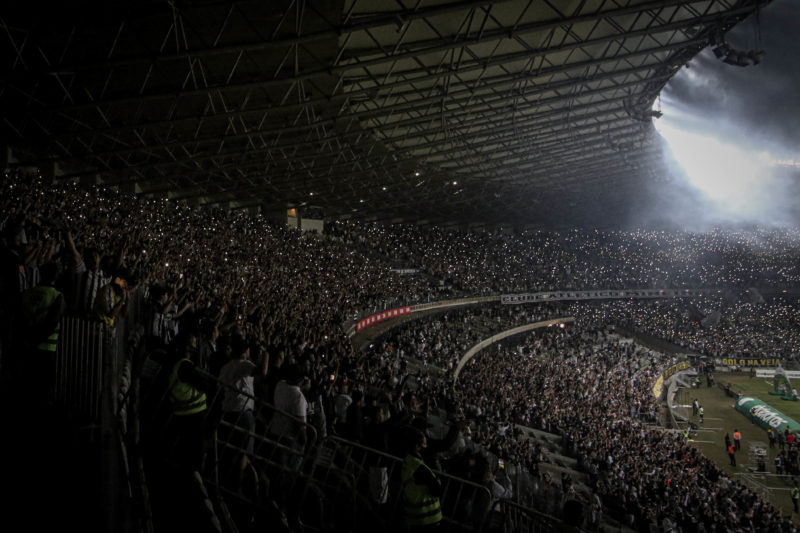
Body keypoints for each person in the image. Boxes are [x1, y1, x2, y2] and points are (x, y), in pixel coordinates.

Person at [217, 335, 268, 490]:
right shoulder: (243, 364)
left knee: (229, 449)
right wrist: (266, 354)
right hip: (243, 413)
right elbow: (262, 372)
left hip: (227, 411)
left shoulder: (225, 367)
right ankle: (237, 486)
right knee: (243, 452)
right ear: (245, 351)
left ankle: (225, 480)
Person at [20, 262, 65, 401]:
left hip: (26, 345)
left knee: (28, 386)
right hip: (47, 348)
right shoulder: (57, 296)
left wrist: (29, 340)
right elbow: (51, 323)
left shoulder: (28, 292)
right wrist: (37, 340)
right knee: (43, 389)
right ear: (56, 275)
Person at [401, 428, 443, 531]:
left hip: (415, 518)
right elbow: (437, 491)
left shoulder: (408, 461)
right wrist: (438, 480)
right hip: (429, 519)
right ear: (417, 446)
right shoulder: (420, 468)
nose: (426, 446)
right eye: (424, 444)